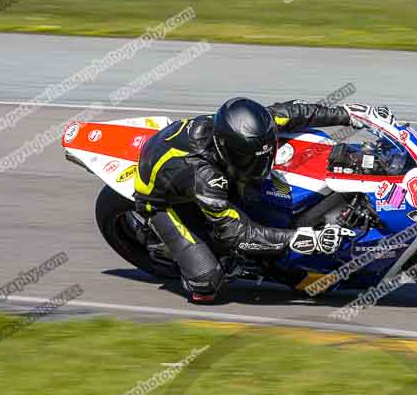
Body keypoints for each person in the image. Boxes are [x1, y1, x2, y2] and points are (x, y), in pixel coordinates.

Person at [133, 97, 395, 302]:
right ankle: (182, 251)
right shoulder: (205, 176)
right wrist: (301, 239)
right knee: (207, 284)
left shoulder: (247, 128)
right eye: (250, 158)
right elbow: (236, 234)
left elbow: (298, 113)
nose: (260, 162)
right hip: (162, 202)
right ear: (228, 151)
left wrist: (351, 114)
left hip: (203, 170)